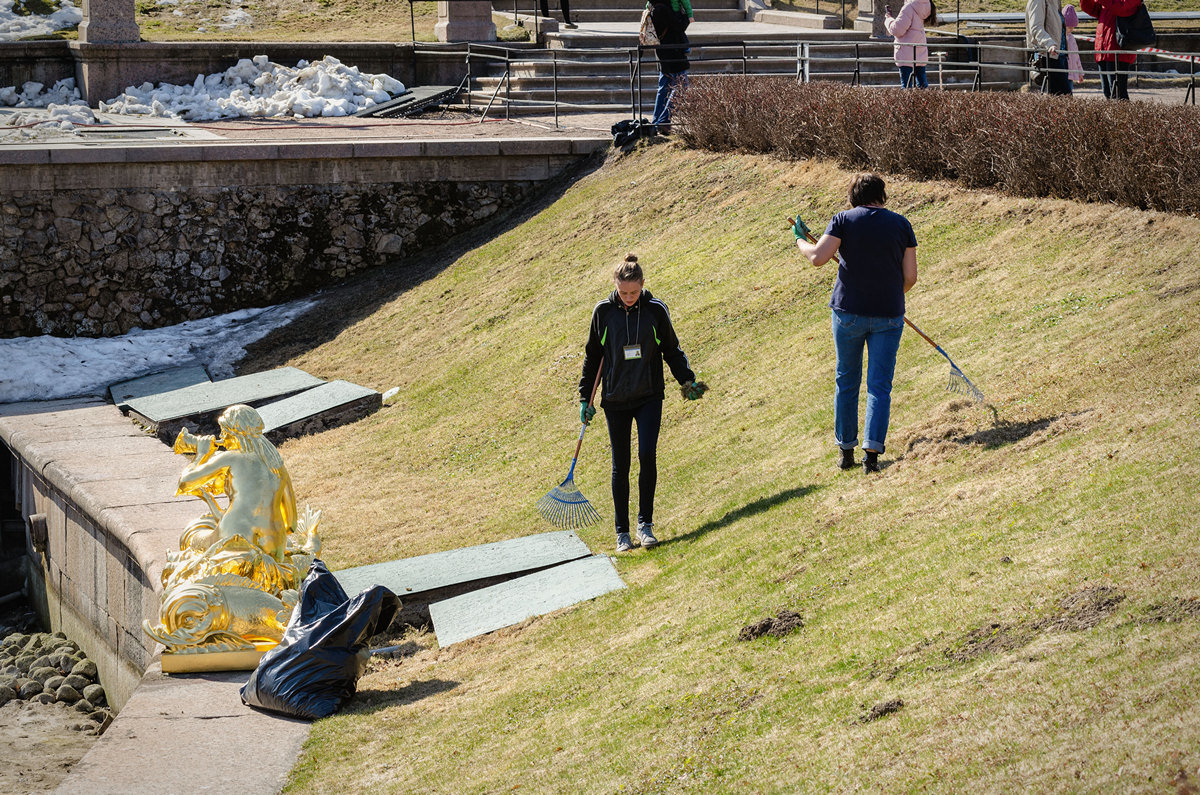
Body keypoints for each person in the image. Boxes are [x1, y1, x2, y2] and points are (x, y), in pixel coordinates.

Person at [579, 254, 705, 552]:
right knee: (620, 465)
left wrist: (687, 380)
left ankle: (645, 525)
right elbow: (592, 357)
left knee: (647, 454)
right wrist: (586, 397)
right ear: (615, 286)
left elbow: (672, 349)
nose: (629, 298)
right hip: (615, 399)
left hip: (649, 395)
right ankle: (622, 531)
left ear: (643, 285)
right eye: (623, 293)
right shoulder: (603, 312)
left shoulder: (655, 310)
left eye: (634, 292)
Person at [793, 174, 919, 474]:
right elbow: (911, 277)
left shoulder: (843, 220)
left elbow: (817, 258)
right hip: (888, 314)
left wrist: (799, 238)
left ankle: (846, 450)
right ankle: (872, 454)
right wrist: (888, 296)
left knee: (846, 380)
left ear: (854, 196)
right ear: (882, 195)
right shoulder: (902, 224)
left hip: (848, 312)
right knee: (879, 385)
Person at [1080, 0, 1142, 99]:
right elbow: (1092, 9)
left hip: (1119, 51)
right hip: (1103, 49)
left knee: (1118, 94)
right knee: (1108, 92)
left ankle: (1124, 114)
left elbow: (1120, 8)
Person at [648, 0, 690, 129]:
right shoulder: (664, 9)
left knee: (664, 87)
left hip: (663, 52)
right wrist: (685, 15)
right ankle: (664, 119)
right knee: (682, 85)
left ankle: (657, 121)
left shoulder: (653, 8)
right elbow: (679, 26)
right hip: (673, 53)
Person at [885, 0, 937, 88]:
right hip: (920, 50)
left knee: (906, 87)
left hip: (906, 51)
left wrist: (888, 19)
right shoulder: (926, 4)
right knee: (922, 85)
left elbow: (897, 30)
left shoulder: (909, 7)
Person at [1026, 0, 1072, 94]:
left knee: (1062, 97)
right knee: (1064, 96)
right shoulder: (1038, 1)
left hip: (1060, 54)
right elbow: (1036, 28)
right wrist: (1049, 43)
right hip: (1049, 55)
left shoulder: (1055, 1)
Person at [1064, 4, 1086, 85]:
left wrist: (1080, 73)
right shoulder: (1061, 38)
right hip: (1064, 73)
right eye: (1069, 27)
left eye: (1072, 27)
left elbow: (1076, 57)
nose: (1071, 29)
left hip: (1071, 73)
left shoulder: (1072, 38)